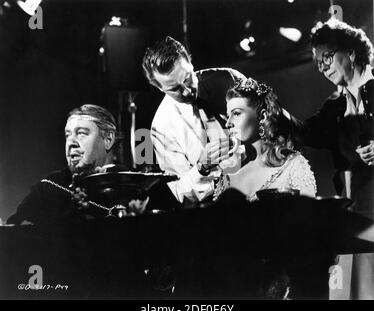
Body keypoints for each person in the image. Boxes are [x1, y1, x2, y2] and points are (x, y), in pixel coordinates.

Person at [287, 19, 374, 299]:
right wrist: (272, 113)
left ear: (349, 51)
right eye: (317, 63)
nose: (322, 67)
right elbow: (304, 133)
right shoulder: (336, 107)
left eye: (326, 57)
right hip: (354, 215)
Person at [142, 36, 246, 204]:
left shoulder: (229, 79)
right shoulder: (161, 127)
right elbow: (180, 190)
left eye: (187, 78)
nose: (187, 92)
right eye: (174, 89)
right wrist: (202, 167)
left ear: (190, 62)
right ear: (159, 88)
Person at [7, 104, 147, 225]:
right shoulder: (48, 187)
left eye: (81, 133)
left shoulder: (138, 184)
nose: (71, 142)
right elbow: (16, 230)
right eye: (67, 135)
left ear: (108, 139)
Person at [214, 77, 316, 201]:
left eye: (236, 113)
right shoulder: (227, 173)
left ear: (262, 116)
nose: (228, 123)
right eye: (227, 116)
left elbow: (310, 216)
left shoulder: (293, 165)